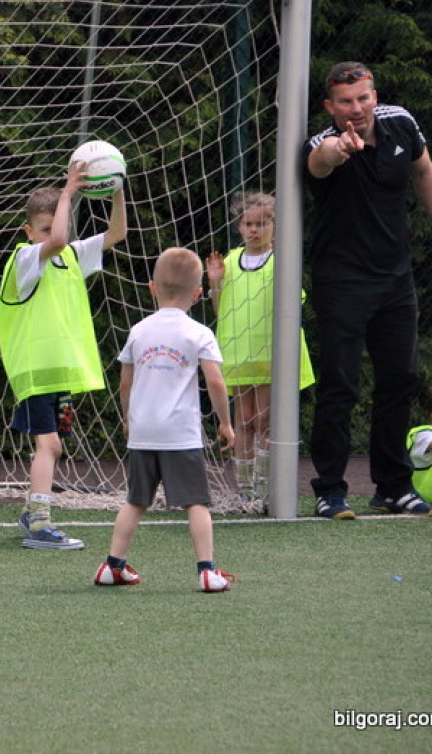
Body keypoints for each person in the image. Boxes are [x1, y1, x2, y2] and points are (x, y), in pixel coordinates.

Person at [304, 61, 432, 519]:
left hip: (395, 281)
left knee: (400, 380)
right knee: (341, 384)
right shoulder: (323, 142)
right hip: (341, 281)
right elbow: (320, 164)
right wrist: (341, 149)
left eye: (362, 98)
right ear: (330, 106)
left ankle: (392, 487)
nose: (355, 109)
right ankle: (330, 490)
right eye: (344, 102)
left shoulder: (401, 123)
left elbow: (421, 169)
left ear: (374, 96)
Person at [0, 160, 126, 549]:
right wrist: (68, 193)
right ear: (28, 231)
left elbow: (117, 232)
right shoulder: (25, 258)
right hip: (35, 372)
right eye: (43, 227)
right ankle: (39, 522)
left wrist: (115, 189)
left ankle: (33, 512)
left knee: (55, 445)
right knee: (48, 445)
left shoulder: (71, 255)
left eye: (58, 224)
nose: (53, 234)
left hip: (59, 374)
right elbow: (54, 240)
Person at [94, 247, 236, 593]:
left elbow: (125, 382)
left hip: (143, 432)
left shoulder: (139, 331)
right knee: (196, 502)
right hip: (180, 435)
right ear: (198, 294)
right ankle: (207, 570)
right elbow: (215, 381)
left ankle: (112, 566)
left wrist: (127, 418)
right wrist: (225, 423)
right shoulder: (198, 332)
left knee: (135, 501)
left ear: (152, 288)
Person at [205, 191, 315, 510]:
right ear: (239, 227)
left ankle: (265, 489)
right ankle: (244, 491)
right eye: (248, 224)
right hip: (240, 353)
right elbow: (220, 309)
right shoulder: (228, 261)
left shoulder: (283, 259)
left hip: (270, 354)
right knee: (244, 421)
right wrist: (215, 284)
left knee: (265, 421)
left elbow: (295, 304)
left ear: (275, 226)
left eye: (261, 223)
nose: (254, 230)